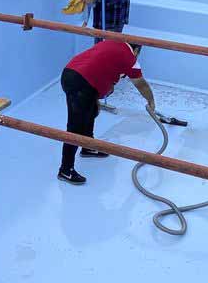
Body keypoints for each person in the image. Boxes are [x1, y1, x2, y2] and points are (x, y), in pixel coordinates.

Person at [58, 38, 155, 185]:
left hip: (71, 73)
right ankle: (65, 170)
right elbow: (141, 84)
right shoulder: (130, 57)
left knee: (90, 112)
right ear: (136, 50)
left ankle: (88, 147)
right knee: (75, 127)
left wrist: (97, 95)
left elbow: (98, 66)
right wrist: (151, 100)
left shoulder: (110, 42)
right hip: (81, 83)